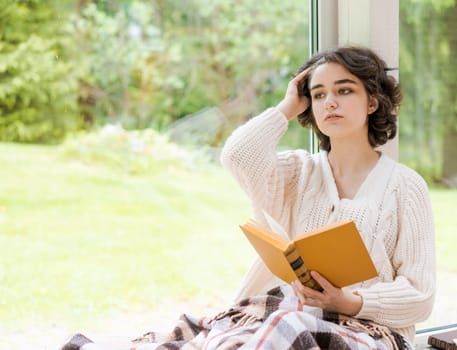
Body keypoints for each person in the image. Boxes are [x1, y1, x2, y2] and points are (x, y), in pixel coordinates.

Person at [61, 46, 435, 350]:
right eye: (318, 94)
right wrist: (289, 106)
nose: (329, 102)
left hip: (368, 332)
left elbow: (421, 296)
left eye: (344, 89)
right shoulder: (299, 172)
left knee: (284, 328)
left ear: (373, 102)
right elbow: (238, 156)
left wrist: (349, 302)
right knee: (232, 335)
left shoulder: (405, 187)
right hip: (284, 313)